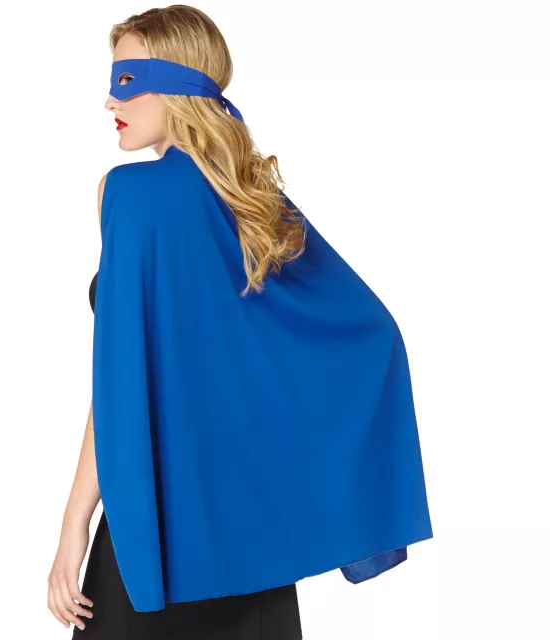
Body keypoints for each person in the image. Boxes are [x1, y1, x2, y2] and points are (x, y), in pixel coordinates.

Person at [48, 5, 433, 639]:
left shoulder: (127, 196)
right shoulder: (256, 203)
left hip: (156, 528)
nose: (111, 100)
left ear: (179, 84)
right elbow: (370, 333)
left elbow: (119, 384)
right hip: (255, 541)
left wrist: (74, 526)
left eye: (128, 80)